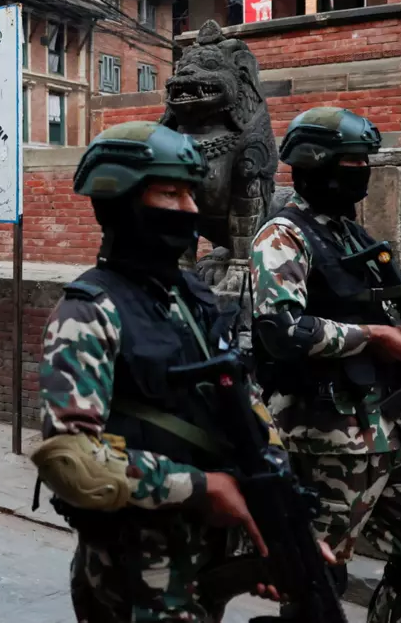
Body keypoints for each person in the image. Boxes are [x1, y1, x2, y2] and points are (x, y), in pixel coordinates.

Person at [34, 122, 301, 621]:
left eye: (191, 193)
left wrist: (276, 524)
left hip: (205, 556)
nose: (191, 209)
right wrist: (199, 488)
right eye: (170, 192)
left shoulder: (191, 295)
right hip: (135, 571)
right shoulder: (89, 312)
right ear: (122, 201)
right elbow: (71, 462)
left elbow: (241, 403)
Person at [251, 107, 401, 623]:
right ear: (313, 164)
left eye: (364, 162)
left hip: (388, 423)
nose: (361, 173)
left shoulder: (354, 238)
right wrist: (371, 337)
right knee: (318, 581)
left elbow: (388, 321)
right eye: (350, 164)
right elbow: (281, 330)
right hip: (325, 432)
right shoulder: (283, 236)